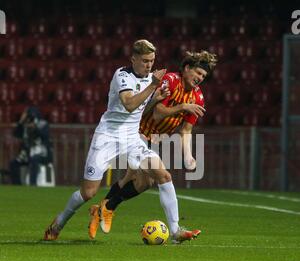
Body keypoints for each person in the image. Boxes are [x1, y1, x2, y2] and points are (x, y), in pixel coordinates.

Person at [44, 39, 204, 244]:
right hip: (107, 137)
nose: (149, 65)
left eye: (152, 61)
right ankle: (58, 224)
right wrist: (153, 88)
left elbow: (142, 111)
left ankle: (175, 231)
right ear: (134, 58)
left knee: (163, 175)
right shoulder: (122, 75)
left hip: (132, 138)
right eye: (145, 60)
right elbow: (129, 104)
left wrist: (155, 99)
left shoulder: (151, 80)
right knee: (88, 192)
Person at [89, 50, 217, 242]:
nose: (200, 78)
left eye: (203, 76)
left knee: (141, 182)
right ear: (187, 68)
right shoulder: (170, 80)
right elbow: (157, 113)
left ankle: (103, 208)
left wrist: (188, 157)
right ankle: (173, 230)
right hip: (136, 132)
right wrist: (182, 107)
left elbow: (186, 131)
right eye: (198, 73)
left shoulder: (197, 98)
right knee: (151, 177)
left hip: (153, 139)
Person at [10, 106, 52, 186]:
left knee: (34, 160)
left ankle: (33, 184)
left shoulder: (43, 124)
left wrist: (35, 127)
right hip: (28, 153)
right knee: (13, 163)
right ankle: (17, 185)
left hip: (43, 154)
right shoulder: (25, 125)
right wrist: (20, 122)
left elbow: (45, 136)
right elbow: (16, 134)